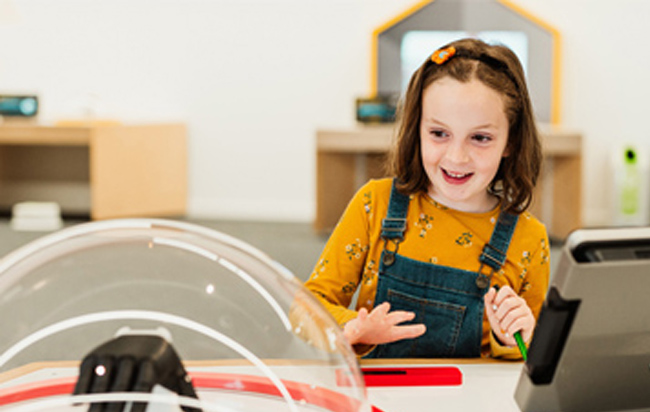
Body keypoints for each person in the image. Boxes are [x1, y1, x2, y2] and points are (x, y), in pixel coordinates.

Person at [304, 38, 550, 359]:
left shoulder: (530, 240)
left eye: (480, 137)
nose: (457, 156)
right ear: (417, 129)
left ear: (511, 142)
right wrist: (350, 327)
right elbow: (306, 307)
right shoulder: (374, 204)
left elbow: (533, 357)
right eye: (438, 133)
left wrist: (513, 340)